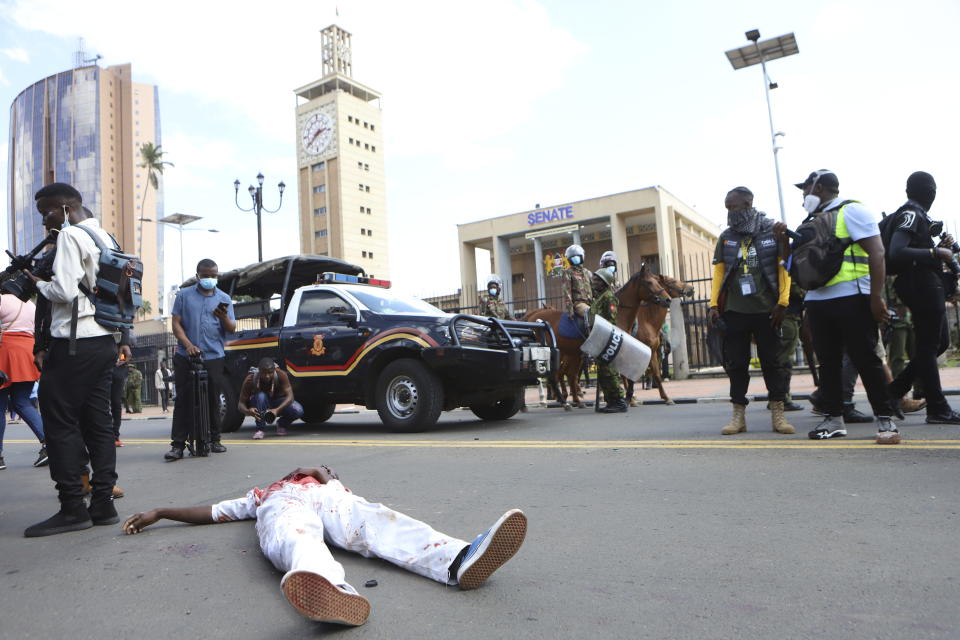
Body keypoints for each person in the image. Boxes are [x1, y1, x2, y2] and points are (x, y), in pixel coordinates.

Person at [121, 465, 528, 626]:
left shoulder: (332, 485)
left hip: (333, 503)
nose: (306, 468)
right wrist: (160, 511)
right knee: (295, 538)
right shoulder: (264, 495)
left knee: (377, 522)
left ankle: (459, 559)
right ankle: (327, 589)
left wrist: (325, 478)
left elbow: (341, 489)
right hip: (287, 509)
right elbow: (210, 511)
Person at [23, 183, 130, 537]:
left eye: (47, 213)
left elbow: (65, 292)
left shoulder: (70, 236)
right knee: (98, 423)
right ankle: (103, 504)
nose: (46, 223)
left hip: (74, 344)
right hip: (103, 343)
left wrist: (38, 283)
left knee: (60, 422)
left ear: (66, 207)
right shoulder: (105, 236)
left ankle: (72, 508)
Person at [791, 170, 899, 444]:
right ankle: (834, 419)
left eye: (807, 189)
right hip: (818, 301)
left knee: (867, 359)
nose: (804, 194)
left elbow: (877, 252)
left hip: (853, 297)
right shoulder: (811, 221)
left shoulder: (853, 211)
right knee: (828, 363)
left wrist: (876, 297)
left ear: (823, 188)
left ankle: (886, 420)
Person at [708, 187, 794, 436]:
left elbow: (783, 268)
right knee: (737, 364)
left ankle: (778, 414)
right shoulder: (726, 237)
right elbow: (719, 273)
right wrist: (714, 305)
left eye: (732, 207)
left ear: (747, 204)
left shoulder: (771, 231)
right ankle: (738, 416)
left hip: (767, 310)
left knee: (772, 363)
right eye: (726, 208)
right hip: (735, 310)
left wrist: (783, 302)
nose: (729, 213)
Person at [885, 171, 960, 424]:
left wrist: (942, 247)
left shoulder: (921, 216)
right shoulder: (910, 214)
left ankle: (894, 391)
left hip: (928, 283)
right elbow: (896, 250)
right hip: (920, 283)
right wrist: (935, 251)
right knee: (929, 346)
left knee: (938, 343)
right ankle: (937, 408)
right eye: (932, 189)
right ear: (929, 191)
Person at [165, 258, 236, 461]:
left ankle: (215, 440)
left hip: (214, 356)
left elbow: (231, 328)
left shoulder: (224, 298)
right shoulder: (184, 296)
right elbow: (176, 324)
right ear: (198, 276)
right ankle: (178, 445)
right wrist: (188, 345)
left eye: (213, 276)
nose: (210, 279)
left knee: (213, 399)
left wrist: (223, 317)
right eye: (206, 276)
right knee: (183, 400)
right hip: (186, 355)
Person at [0, 294, 47, 469]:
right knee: (22, 402)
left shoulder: (2, 299)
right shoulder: (30, 304)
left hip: (6, 352)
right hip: (28, 351)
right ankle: (48, 444)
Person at [238, 357, 304, 439]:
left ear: (274, 371)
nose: (267, 376)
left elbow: (290, 397)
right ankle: (260, 429)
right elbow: (240, 404)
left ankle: (282, 424)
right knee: (261, 396)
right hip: (260, 403)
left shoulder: (281, 374)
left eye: (270, 373)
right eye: (264, 373)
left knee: (298, 410)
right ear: (259, 371)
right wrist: (248, 411)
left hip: (277, 403)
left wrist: (277, 410)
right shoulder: (250, 379)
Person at [590, 267, 627, 413]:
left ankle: (619, 401)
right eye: (594, 279)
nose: (594, 282)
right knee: (602, 372)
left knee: (609, 371)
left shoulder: (609, 297)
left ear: (605, 282)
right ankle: (610, 401)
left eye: (598, 280)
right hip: (598, 338)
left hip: (605, 339)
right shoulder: (599, 297)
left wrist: (604, 339)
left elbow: (611, 321)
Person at [771, 281, 805, 412]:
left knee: (779, 358)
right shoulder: (787, 267)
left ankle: (776, 398)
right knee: (784, 360)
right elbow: (796, 289)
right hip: (788, 317)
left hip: (784, 316)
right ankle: (782, 398)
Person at [561, 244, 593, 336]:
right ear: (569, 259)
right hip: (579, 304)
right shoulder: (567, 273)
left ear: (582, 257)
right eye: (573, 257)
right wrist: (570, 309)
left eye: (577, 257)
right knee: (589, 312)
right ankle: (590, 336)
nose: (576, 259)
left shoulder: (588, 273)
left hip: (591, 302)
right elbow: (567, 292)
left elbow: (594, 289)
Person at [109, 353, 128, 446]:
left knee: (116, 404)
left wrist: (123, 359)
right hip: (100, 368)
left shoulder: (122, 344)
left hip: (117, 372)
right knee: (100, 404)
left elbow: (126, 353)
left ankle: (115, 436)